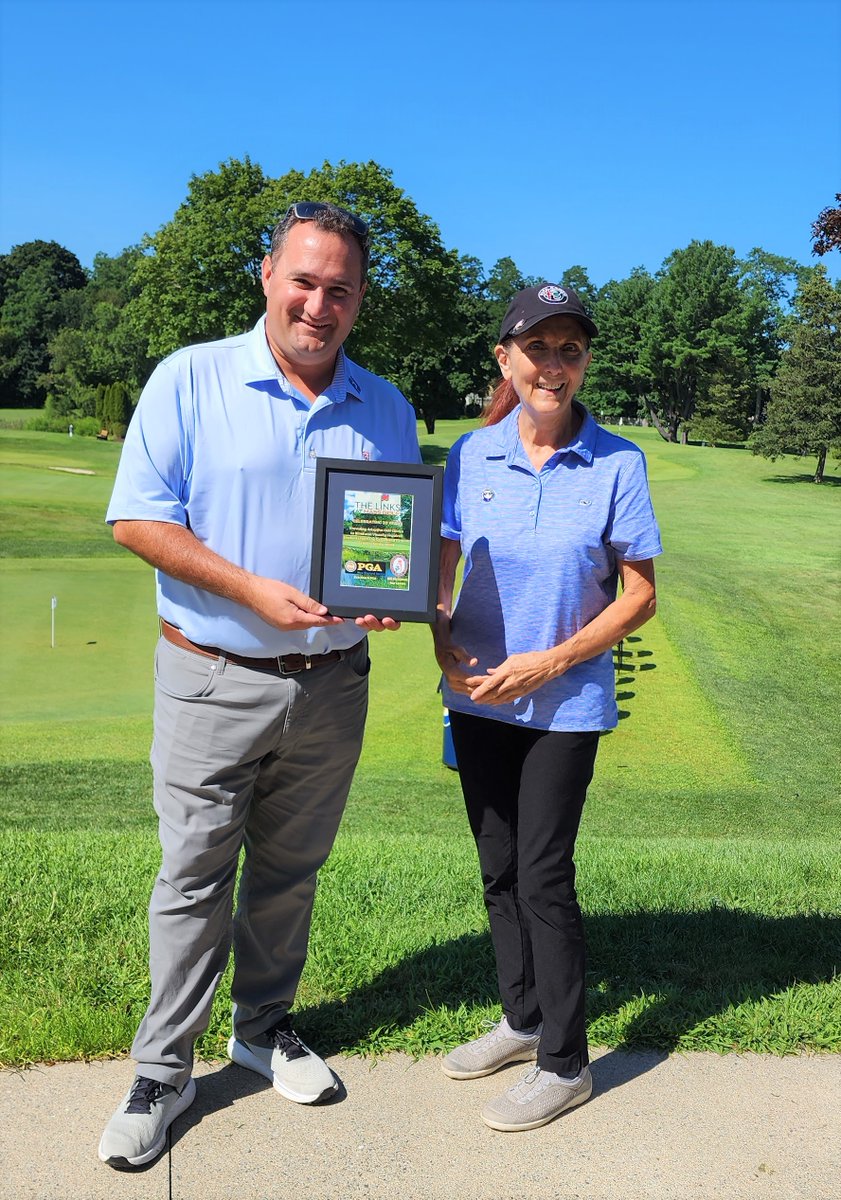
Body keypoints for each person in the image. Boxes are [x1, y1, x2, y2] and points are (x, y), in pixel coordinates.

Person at [99, 201, 421, 1169]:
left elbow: (386, 544)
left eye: (341, 290)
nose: (319, 305)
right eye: (304, 281)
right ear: (268, 276)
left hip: (332, 685)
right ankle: (162, 1070)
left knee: (289, 873)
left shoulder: (386, 405)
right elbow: (137, 522)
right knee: (192, 877)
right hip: (212, 675)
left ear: (361, 301)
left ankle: (262, 1027)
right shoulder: (191, 377)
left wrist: (382, 600)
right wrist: (250, 591)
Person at [432, 284, 661, 1133]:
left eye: (569, 349)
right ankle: (521, 1020)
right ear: (505, 359)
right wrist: (438, 638)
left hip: (563, 704)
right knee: (496, 871)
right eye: (537, 348)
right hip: (479, 698)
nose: (553, 365)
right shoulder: (471, 454)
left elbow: (637, 596)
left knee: (541, 876)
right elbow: (442, 564)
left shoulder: (616, 462)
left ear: (583, 362)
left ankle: (564, 1064)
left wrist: (552, 660)